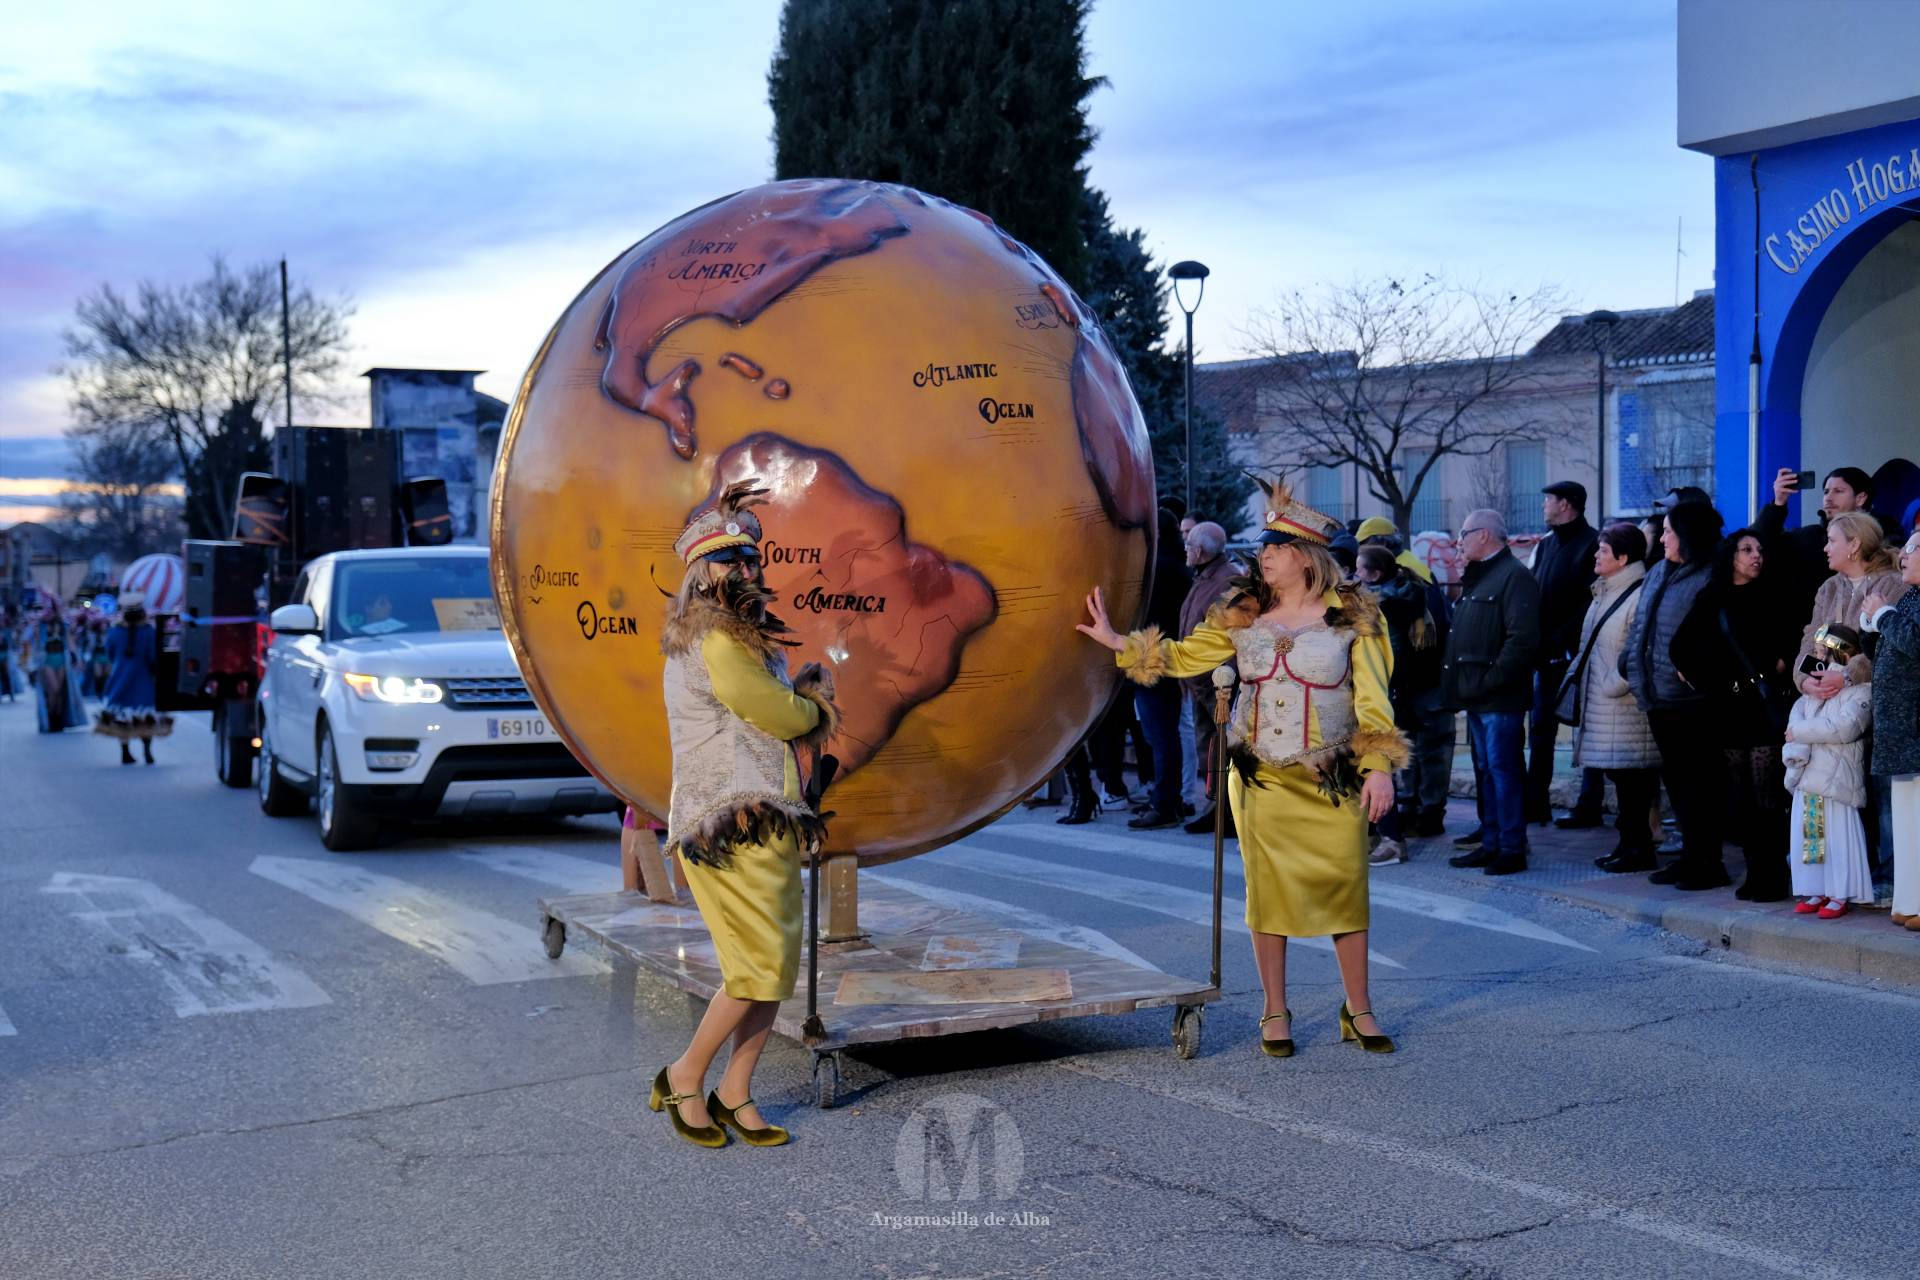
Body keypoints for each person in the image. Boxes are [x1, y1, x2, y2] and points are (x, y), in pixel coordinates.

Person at [1077, 477, 1407, 1056]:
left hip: (1331, 781)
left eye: (1275, 549)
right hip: (1261, 781)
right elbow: (1181, 658)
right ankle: (1273, 1010)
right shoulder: (1241, 612)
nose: (1264, 558)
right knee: (1268, 896)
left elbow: (1374, 701)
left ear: (1305, 558)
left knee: (1345, 891)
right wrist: (1115, 640)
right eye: (1264, 549)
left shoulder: (1357, 617)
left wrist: (1379, 767)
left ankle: (1359, 1008)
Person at [650, 479, 837, 1149]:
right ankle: (683, 1076)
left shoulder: (742, 637)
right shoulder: (718, 643)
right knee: (754, 967)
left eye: (753, 560)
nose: (748, 570)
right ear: (702, 574)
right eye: (731, 560)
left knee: (774, 967)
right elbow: (770, 710)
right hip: (726, 824)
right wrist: (816, 709)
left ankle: (735, 1091)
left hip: (764, 817)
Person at [1672, 529, 1800, 900]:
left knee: (1768, 795)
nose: (1755, 556)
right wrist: (1712, 683)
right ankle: (1755, 872)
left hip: (1763, 708)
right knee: (1739, 797)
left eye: (1759, 550)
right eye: (1746, 550)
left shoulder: (1774, 593)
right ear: (1730, 556)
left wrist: (1775, 665)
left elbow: (1790, 643)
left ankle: (1772, 874)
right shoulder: (1712, 597)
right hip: (1728, 710)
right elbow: (1680, 648)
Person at [1623, 500, 1727, 889]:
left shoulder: (1712, 573)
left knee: (1702, 786)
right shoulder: (1659, 571)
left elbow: (1714, 636)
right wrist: (1629, 665)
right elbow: (1641, 626)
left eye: (1668, 531)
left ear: (1688, 534)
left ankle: (1708, 862)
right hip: (1657, 695)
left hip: (1693, 702)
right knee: (1679, 787)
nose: (1662, 537)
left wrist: (1697, 676)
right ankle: (1689, 858)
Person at [1441, 510, 1542, 876]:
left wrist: (1492, 679)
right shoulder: (1481, 577)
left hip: (1499, 696)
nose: (1459, 541)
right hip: (1479, 694)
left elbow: (1523, 639)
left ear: (1484, 535)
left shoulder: (1514, 576)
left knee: (1503, 770)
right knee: (1487, 770)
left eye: (1464, 533)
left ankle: (1511, 846)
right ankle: (1492, 841)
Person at [1560, 523, 1658, 872]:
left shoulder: (1636, 594)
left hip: (1625, 708)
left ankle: (1638, 849)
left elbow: (1640, 649)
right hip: (1607, 708)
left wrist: (1614, 684)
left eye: (1603, 550)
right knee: (1623, 783)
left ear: (1623, 557)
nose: (1596, 556)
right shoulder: (1605, 591)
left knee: (1634, 784)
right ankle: (1628, 844)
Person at [1359, 517, 1454, 832]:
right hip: (1412, 679)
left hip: (1420, 679)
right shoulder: (1404, 573)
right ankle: (1417, 809)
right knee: (1415, 747)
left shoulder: (1408, 579)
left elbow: (1430, 627)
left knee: (1428, 748)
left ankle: (1425, 811)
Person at [1783, 624, 1875, 919]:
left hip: (1837, 779)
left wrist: (1800, 732)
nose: (1818, 659)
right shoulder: (1810, 694)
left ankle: (1840, 892)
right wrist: (1795, 746)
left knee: (1837, 836)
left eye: (1824, 652)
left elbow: (1845, 728)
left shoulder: (1860, 691)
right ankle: (1816, 888)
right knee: (1811, 837)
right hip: (1808, 778)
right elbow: (1791, 728)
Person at [1356, 545, 1440, 865]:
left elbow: (1384, 657)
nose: (1354, 575)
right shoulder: (1405, 597)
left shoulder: (1382, 606)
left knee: (1380, 766)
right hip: (1398, 695)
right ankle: (1378, 835)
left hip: (1387, 694)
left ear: (1375, 574)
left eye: (1360, 570)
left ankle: (1391, 839)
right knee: (1379, 766)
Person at [1528, 481, 1602, 828]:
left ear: (1567, 504)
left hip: (1579, 653)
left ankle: (1590, 803)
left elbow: (1591, 600)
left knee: (1589, 729)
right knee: (1541, 728)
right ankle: (1536, 801)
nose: (1544, 505)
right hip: (1546, 654)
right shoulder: (1546, 547)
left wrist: (1560, 639)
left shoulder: (1592, 544)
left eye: (1549, 500)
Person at [1862, 530, 1920, 931]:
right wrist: (1872, 627)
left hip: (1914, 726)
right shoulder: (1911, 596)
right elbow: (1892, 649)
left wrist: (1883, 614)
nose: (1902, 557)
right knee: (1906, 820)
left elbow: (1916, 644)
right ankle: (1908, 900)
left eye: (1912, 550)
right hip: (1902, 730)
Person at [1125, 508, 1190, 829]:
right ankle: (1168, 800)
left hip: (1151, 658)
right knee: (1165, 736)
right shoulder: (1177, 565)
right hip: (1166, 658)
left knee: (1160, 737)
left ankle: (1165, 803)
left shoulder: (1157, 569)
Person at [1179, 521, 1240, 835]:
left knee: (1220, 747)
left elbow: (1230, 635)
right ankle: (1214, 807)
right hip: (1200, 679)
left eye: (1188, 545)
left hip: (1216, 683)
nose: (1185, 550)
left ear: (1199, 551)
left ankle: (1225, 810)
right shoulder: (1206, 576)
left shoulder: (1226, 579)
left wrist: (1219, 679)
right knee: (1208, 746)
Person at [1756, 465, 1880, 609]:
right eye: (1826, 492)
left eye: (1838, 491)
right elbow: (1759, 545)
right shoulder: (1809, 537)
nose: (1828, 498)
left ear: (1860, 498)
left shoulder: (1883, 537)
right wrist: (1778, 504)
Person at [94, 594, 172, 764]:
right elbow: (153, 657)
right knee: (145, 715)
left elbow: (110, 654)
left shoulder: (114, 632)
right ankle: (147, 751)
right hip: (143, 679)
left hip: (119, 678)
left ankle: (125, 752)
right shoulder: (149, 632)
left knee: (123, 716)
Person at [24, 606, 86, 733]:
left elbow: (70, 643)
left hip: (62, 660)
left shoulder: (64, 625)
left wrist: (77, 659)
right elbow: (28, 640)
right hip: (47, 661)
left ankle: (59, 719)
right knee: (54, 690)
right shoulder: (40, 626)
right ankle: (51, 718)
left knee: (61, 691)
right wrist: (34, 624)